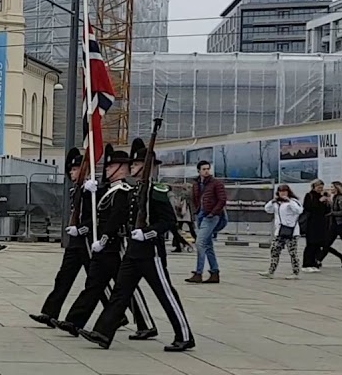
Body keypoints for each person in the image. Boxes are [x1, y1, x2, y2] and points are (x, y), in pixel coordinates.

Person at [80, 141, 193, 352]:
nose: (130, 168)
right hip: (133, 252)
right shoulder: (133, 190)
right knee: (120, 293)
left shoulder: (157, 191)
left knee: (165, 293)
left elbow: (168, 221)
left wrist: (147, 233)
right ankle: (103, 333)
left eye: (135, 164)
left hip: (151, 253)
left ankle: (185, 335)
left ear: (146, 166)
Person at [30, 148, 92, 327]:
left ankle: (117, 314)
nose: (72, 173)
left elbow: (95, 218)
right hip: (76, 242)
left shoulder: (92, 190)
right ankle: (50, 313)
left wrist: (80, 229)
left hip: (87, 241)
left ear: (84, 169)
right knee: (63, 277)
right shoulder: (76, 190)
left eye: (75, 169)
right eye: (70, 170)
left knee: (97, 282)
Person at [186, 160, 225, 284]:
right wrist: (197, 212)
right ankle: (214, 272)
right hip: (201, 215)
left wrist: (213, 213)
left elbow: (222, 199)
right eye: (204, 169)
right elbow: (195, 199)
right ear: (199, 171)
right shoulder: (196, 184)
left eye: (208, 168)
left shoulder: (216, 183)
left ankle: (198, 273)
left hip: (211, 216)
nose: (206, 171)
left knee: (200, 243)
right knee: (207, 245)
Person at [260, 184, 302, 280]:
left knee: (292, 252)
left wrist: (289, 201)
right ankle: (271, 271)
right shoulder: (276, 203)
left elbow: (298, 211)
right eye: (280, 191)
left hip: (291, 232)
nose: (282, 193)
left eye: (284, 191)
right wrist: (272, 201)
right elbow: (267, 209)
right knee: (274, 250)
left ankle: (295, 272)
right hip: (279, 231)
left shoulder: (293, 201)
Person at [301, 179, 332, 272]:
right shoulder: (309, 195)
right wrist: (319, 201)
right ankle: (306, 264)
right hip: (311, 224)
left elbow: (326, 211)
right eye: (318, 187)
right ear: (314, 187)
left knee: (318, 245)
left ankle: (314, 263)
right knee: (310, 244)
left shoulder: (321, 196)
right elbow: (308, 207)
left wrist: (328, 202)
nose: (320, 189)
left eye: (321, 188)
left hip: (321, 224)